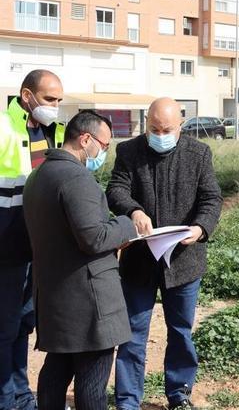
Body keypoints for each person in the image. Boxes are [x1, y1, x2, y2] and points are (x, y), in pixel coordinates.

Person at [107, 98, 222, 410]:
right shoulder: (128, 152)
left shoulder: (199, 153)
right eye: (153, 129)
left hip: (184, 262)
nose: (160, 134)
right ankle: (128, 401)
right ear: (146, 125)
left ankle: (179, 394)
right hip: (139, 262)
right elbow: (116, 190)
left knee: (181, 332)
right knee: (132, 334)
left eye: (167, 129)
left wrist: (199, 228)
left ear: (181, 125)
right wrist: (133, 211)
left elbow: (211, 199)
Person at [22, 110, 137, 410]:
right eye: (104, 144)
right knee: (91, 384)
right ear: (86, 139)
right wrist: (127, 225)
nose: (104, 152)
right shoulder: (76, 178)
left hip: (55, 297)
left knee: (55, 375)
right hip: (89, 304)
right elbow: (94, 238)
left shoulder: (39, 174)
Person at [0, 69, 64, 410]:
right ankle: (6, 399)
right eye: (50, 99)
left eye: (58, 100)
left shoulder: (53, 130)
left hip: (37, 246)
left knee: (25, 323)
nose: (55, 106)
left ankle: (22, 395)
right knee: (5, 326)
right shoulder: (4, 128)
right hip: (7, 246)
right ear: (27, 96)